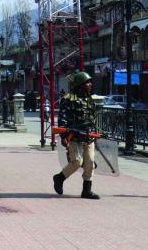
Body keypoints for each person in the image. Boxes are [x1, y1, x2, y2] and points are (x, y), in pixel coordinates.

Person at [52, 71, 101, 200]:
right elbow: (62, 119)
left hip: (88, 136)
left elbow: (92, 118)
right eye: (87, 83)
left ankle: (86, 191)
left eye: (90, 82)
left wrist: (95, 134)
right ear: (79, 85)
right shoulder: (68, 99)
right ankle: (59, 178)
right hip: (73, 136)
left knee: (90, 163)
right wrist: (63, 137)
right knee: (77, 162)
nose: (90, 85)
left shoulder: (89, 99)